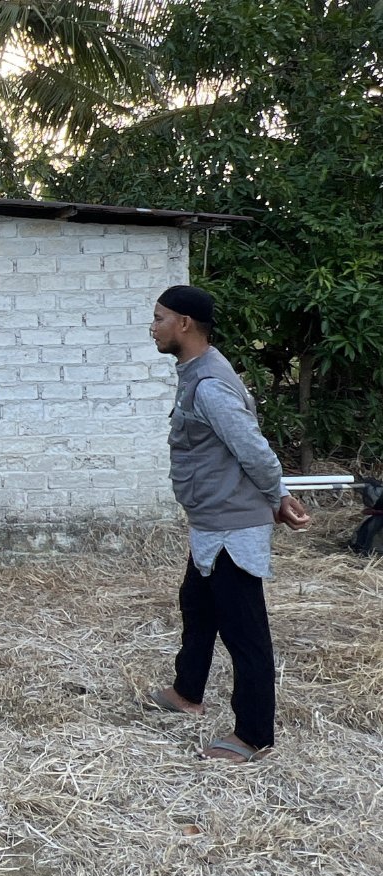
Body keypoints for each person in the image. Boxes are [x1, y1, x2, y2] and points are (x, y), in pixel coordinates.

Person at [147, 285, 310, 762]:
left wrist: (278, 496)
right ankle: (187, 693)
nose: (152, 328)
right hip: (212, 521)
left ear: (184, 324)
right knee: (197, 609)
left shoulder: (210, 385)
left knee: (245, 632)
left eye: (159, 318)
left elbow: (253, 449)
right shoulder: (197, 371)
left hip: (232, 528)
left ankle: (254, 736)